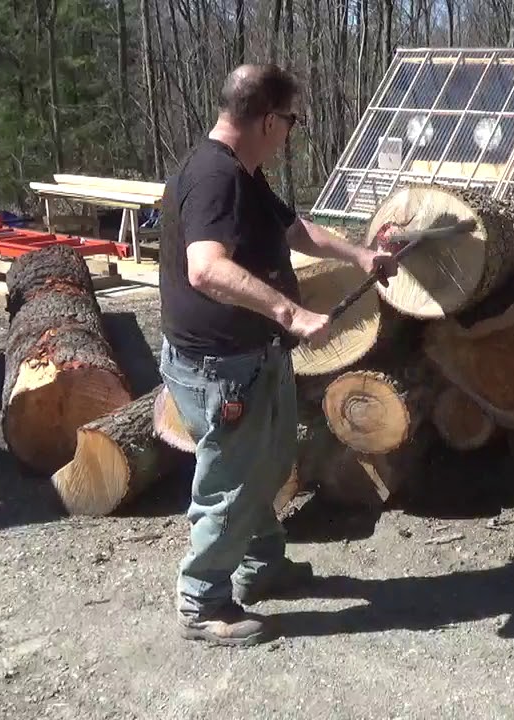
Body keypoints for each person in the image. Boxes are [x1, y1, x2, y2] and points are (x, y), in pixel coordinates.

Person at [157, 63, 397, 646]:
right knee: (230, 483)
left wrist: (361, 256)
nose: (292, 131)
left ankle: (260, 567)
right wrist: (291, 314)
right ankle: (203, 603)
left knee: (265, 465)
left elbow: (294, 230)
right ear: (268, 119)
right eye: (291, 120)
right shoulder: (215, 178)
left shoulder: (244, 173)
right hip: (221, 369)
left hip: (251, 358)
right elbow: (206, 267)